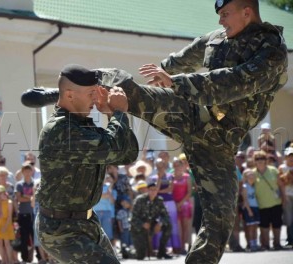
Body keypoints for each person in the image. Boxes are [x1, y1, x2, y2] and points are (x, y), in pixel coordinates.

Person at [22, 1, 288, 262]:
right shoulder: (217, 39)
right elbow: (184, 58)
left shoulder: (272, 50)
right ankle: (63, 94)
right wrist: (164, 71)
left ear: (247, 12)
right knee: (129, 89)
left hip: (218, 143)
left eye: (226, 14)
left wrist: (176, 81)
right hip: (191, 115)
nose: (221, 21)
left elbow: (237, 82)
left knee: (220, 222)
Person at [35, 64, 138, 264]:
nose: (95, 97)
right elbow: (111, 148)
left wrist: (111, 114)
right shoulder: (61, 129)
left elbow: (127, 154)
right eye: (91, 93)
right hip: (61, 230)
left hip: (86, 223)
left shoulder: (83, 126)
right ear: (70, 95)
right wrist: (118, 113)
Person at [130, 182, 172, 260]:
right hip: (138, 227)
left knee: (168, 225)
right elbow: (133, 218)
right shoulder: (139, 200)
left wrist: (160, 223)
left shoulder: (159, 200)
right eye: (151, 190)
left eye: (155, 190)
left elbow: (166, 216)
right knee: (140, 256)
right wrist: (143, 224)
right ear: (147, 190)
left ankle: (161, 252)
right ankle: (127, 252)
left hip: (152, 225)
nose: (153, 192)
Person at [253, 150, 285, 250]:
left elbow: (281, 185)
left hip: (276, 203)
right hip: (261, 204)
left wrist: (284, 198)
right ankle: (265, 244)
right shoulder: (252, 174)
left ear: (266, 160)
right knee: (264, 226)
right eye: (257, 159)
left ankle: (277, 244)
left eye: (262, 158)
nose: (260, 161)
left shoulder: (273, 170)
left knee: (277, 225)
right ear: (255, 161)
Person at [15, 161, 35, 263]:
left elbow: (37, 199)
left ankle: (39, 257)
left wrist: (26, 196)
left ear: (32, 171)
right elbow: (19, 199)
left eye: (29, 170)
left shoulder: (35, 183)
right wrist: (31, 198)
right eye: (25, 171)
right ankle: (24, 258)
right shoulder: (19, 184)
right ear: (22, 172)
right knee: (24, 237)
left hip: (34, 214)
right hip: (23, 214)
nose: (27, 173)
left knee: (35, 237)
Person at [241, 168, 260, 252]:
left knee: (255, 227)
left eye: (252, 174)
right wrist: (249, 210)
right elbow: (245, 200)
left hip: (256, 207)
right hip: (250, 208)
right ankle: (252, 244)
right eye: (249, 174)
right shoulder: (245, 186)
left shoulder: (254, 185)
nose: (251, 176)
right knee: (251, 228)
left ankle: (255, 243)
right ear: (245, 176)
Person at [0, 185, 15, 264]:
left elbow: (10, 217)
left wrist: (5, 226)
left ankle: (10, 261)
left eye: (1, 193)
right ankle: (3, 260)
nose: (0, 195)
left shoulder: (9, 202)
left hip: (6, 223)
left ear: (4, 193)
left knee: (7, 243)